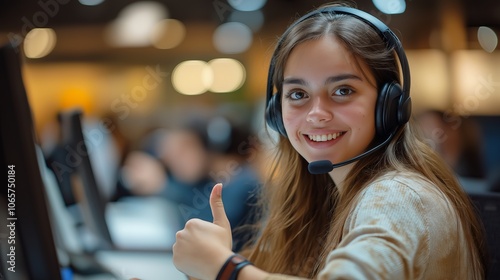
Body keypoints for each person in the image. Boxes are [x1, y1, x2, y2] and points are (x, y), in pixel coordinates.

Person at [172, 3, 488, 280]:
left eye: (342, 91)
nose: (317, 114)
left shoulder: (399, 196)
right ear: (276, 113)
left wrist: (224, 268)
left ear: (388, 105)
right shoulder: (322, 195)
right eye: (298, 94)